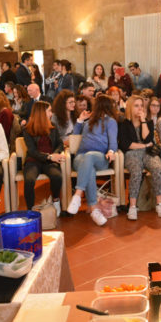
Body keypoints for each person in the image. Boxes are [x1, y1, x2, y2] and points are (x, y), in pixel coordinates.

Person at [66, 94, 118, 226]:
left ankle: (77, 195)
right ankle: (94, 210)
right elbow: (74, 137)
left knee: (89, 156)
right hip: (81, 157)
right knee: (89, 168)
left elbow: (113, 142)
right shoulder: (89, 121)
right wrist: (80, 120)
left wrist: (111, 152)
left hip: (100, 157)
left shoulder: (110, 122)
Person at [118, 95, 161, 220]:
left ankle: (159, 204)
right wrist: (144, 145)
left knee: (157, 168)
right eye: (136, 106)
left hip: (148, 152)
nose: (140, 108)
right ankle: (132, 207)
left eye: (141, 106)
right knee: (136, 172)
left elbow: (147, 138)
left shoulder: (148, 122)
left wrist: (143, 121)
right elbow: (126, 144)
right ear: (130, 107)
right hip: (131, 153)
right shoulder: (124, 123)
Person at [23, 101, 64, 214]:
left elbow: (60, 144)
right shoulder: (27, 129)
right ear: (41, 113)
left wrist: (55, 154)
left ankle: (56, 200)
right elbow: (32, 151)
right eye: (49, 111)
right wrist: (50, 157)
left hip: (50, 161)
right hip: (33, 161)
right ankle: (30, 210)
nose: (51, 113)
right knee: (29, 180)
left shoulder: (53, 126)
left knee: (57, 176)